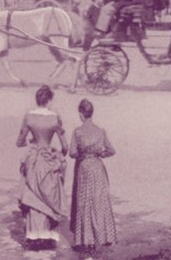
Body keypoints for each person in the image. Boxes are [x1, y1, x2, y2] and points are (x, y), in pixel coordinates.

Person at [17, 84, 67, 249]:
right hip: (47, 159)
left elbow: (19, 142)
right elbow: (65, 146)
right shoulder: (55, 118)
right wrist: (57, 154)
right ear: (49, 100)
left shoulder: (29, 117)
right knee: (48, 192)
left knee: (33, 192)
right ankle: (47, 233)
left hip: (34, 158)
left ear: (37, 100)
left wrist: (31, 141)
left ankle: (33, 234)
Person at [69, 98, 116, 254]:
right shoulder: (100, 131)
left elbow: (72, 153)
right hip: (97, 167)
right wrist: (100, 154)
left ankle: (84, 239)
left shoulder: (78, 131)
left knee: (84, 201)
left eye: (80, 114)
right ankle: (102, 236)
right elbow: (111, 150)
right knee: (98, 201)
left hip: (84, 168)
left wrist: (83, 155)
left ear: (82, 114)